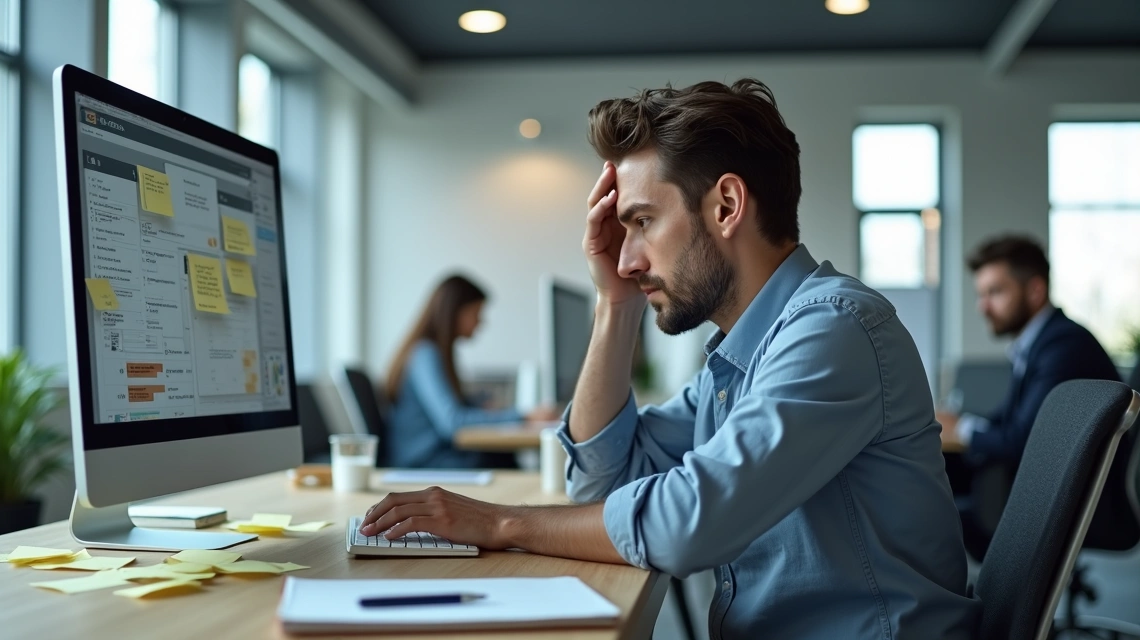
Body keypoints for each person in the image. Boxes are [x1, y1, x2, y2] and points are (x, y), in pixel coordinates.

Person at [362, 80, 979, 638]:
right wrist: (616, 306)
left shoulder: (833, 330)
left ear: (727, 207)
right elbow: (601, 480)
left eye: (643, 221)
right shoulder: (739, 359)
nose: (626, 258)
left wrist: (503, 524)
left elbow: (686, 523)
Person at [937, 236, 1120, 558]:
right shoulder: (1040, 343)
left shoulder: (1063, 347)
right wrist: (957, 423)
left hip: (1080, 502)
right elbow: (1009, 418)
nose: (983, 306)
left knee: (933, 511)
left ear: (1035, 290)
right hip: (1056, 490)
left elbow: (1024, 439)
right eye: (981, 294)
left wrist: (961, 430)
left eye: (995, 292)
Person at [384, 274, 558, 469]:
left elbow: (452, 408)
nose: (480, 322)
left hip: (437, 454)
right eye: (476, 313)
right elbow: (453, 422)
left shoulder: (434, 353)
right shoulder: (425, 354)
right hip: (423, 461)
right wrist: (524, 416)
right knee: (500, 460)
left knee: (502, 457)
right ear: (455, 312)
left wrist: (478, 402)